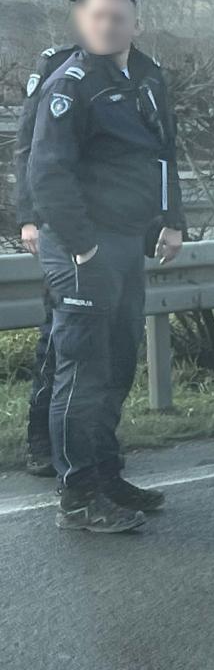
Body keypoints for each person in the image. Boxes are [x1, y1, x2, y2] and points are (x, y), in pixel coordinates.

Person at [28, 0, 186, 533]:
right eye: (96, 16)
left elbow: (164, 152)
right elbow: (46, 174)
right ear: (82, 22)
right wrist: (84, 247)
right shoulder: (70, 84)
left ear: (134, 24)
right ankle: (77, 496)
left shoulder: (146, 76)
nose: (107, 24)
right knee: (83, 371)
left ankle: (105, 473)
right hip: (82, 248)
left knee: (116, 365)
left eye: (118, 16)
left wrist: (171, 221)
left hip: (125, 243)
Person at [12, 43, 79, 477]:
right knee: (57, 339)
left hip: (105, 228)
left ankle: (85, 445)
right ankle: (41, 442)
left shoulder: (134, 69)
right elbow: (26, 147)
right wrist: (28, 218)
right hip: (57, 226)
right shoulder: (56, 64)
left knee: (97, 348)